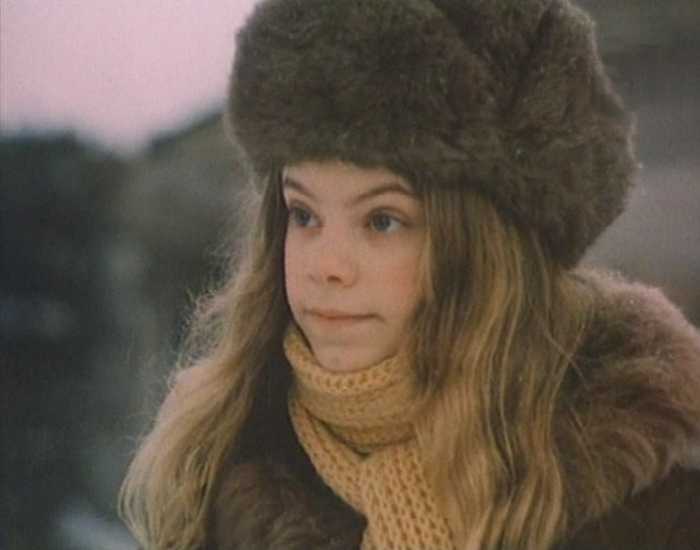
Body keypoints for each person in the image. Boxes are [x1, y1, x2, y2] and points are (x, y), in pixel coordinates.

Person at [119, 0, 700, 548]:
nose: (326, 266)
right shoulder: (220, 470)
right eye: (304, 215)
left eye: (382, 220)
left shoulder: (652, 494)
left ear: (485, 253)